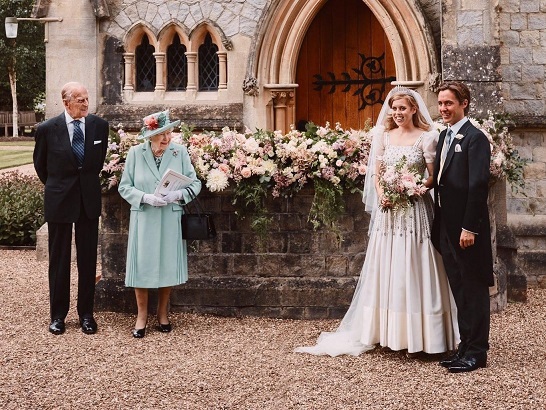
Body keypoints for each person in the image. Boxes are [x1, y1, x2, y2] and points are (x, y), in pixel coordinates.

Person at [295, 87, 458, 357]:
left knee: (416, 264)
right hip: (388, 213)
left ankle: (424, 335)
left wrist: (414, 188)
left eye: (403, 108)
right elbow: (376, 173)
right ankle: (387, 331)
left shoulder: (427, 137)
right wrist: (383, 195)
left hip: (415, 210)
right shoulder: (383, 135)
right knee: (389, 264)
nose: (397, 113)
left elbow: (433, 176)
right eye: (394, 108)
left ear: (414, 109)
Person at [33, 82, 109, 335]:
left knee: (88, 260)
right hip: (59, 200)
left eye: (87, 99)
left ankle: (86, 314)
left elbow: (96, 164)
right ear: (66, 103)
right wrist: (60, 188)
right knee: (59, 260)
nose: (86, 104)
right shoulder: (46, 129)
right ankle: (58, 316)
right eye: (80, 100)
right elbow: (41, 167)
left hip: (88, 201)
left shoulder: (100, 126)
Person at [118, 110, 202, 338]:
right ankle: (141, 316)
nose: (166, 138)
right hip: (144, 216)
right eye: (161, 134)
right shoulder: (135, 153)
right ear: (149, 135)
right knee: (142, 266)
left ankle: (162, 313)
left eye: (169, 133)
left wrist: (177, 196)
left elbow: (195, 185)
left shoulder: (179, 152)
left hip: (169, 216)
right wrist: (145, 198)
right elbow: (124, 187)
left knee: (166, 264)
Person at [431, 81, 493, 373]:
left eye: (449, 104)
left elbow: (478, 186)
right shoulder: (444, 136)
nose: (443, 109)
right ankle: (464, 347)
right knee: (459, 289)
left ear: (464, 103)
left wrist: (469, 227)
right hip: (446, 226)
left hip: (467, 231)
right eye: (441, 103)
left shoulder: (475, 138)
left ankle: (477, 353)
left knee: (474, 289)